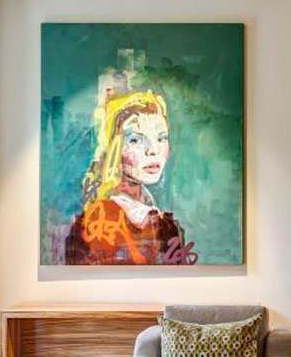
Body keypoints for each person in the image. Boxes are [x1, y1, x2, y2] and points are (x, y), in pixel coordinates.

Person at [64, 90, 196, 265]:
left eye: (162, 138)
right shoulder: (94, 224)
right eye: (135, 140)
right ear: (114, 148)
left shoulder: (165, 226)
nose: (153, 150)